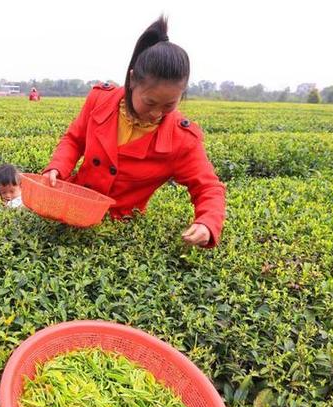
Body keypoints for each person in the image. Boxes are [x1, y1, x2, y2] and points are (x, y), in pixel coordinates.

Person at [41, 16, 226, 248]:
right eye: (149, 103)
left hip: (119, 231)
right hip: (72, 210)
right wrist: (57, 167)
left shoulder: (182, 140)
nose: (157, 114)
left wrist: (207, 222)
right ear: (131, 81)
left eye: (169, 105)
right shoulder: (100, 100)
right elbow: (74, 139)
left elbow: (208, 186)